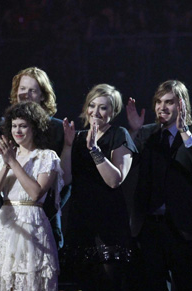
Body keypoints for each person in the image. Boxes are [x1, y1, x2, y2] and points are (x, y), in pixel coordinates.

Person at [0, 60, 70, 251]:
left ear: (43, 96)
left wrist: (52, 210)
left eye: (32, 90)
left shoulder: (57, 129)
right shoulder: (9, 127)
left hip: (44, 216)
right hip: (11, 221)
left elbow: (64, 179)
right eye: (22, 88)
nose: (25, 94)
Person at [126, 80, 192, 290]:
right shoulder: (147, 134)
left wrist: (184, 132)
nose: (161, 107)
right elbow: (127, 166)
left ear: (182, 105)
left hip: (186, 228)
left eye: (168, 102)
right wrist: (134, 132)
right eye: (158, 101)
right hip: (150, 228)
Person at [61, 84, 137, 290]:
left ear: (113, 112)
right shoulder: (77, 137)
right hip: (80, 220)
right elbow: (65, 179)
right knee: (81, 282)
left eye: (103, 108)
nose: (96, 112)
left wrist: (95, 150)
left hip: (108, 222)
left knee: (109, 282)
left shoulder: (119, 134)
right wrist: (68, 146)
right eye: (92, 106)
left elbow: (114, 180)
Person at [0, 101, 63, 291]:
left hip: (32, 226)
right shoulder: (2, 159)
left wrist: (13, 161)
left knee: (31, 281)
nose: (17, 130)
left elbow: (35, 193)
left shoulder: (46, 157)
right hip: (7, 226)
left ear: (34, 128)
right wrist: (6, 164)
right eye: (14, 126)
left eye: (23, 126)